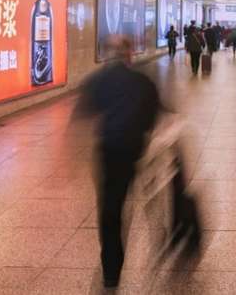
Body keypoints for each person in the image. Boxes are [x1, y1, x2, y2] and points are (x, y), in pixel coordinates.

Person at [75, 36, 161, 289]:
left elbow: (84, 112)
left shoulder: (99, 79)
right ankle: (160, 237)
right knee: (143, 195)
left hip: (109, 150)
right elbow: (154, 113)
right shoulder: (142, 80)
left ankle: (111, 269)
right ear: (130, 53)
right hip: (135, 148)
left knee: (110, 207)